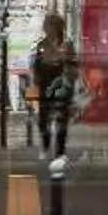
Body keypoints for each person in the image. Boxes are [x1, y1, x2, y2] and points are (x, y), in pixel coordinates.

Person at [27, 12, 79, 156]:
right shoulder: (41, 45)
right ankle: (46, 140)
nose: (48, 29)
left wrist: (70, 75)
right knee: (43, 118)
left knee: (62, 117)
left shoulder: (67, 44)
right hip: (45, 83)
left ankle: (60, 150)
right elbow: (35, 65)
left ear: (58, 27)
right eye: (46, 25)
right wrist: (34, 82)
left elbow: (74, 64)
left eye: (51, 25)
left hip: (62, 83)